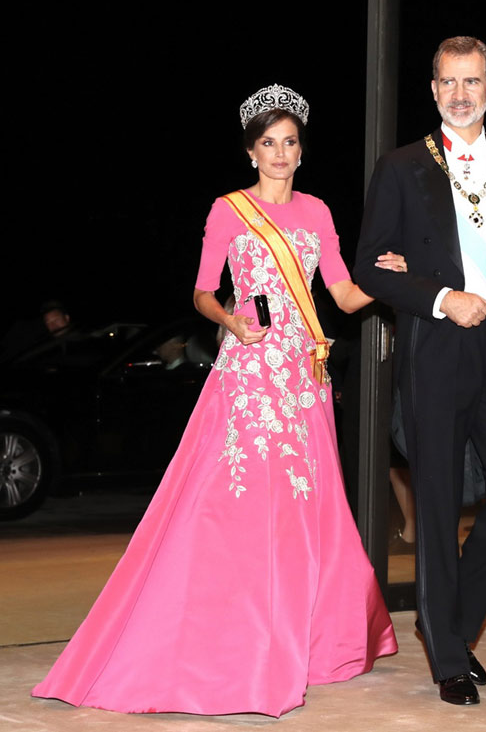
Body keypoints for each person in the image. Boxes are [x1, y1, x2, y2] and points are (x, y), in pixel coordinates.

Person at [32, 84, 403, 717]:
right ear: (250, 150)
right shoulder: (229, 210)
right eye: (268, 143)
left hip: (302, 377)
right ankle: (230, 636)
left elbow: (340, 296)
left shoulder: (316, 211)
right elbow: (204, 294)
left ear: (301, 150)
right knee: (232, 506)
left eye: (289, 143)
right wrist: (230, 322)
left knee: (308, 508)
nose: (279, 154)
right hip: (248, 371)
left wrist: (387, 280)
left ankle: (312, 637)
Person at [354, 36, 486, 706]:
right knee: (440, 501)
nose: (459, 93)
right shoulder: (399, 167)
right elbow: (367, 267)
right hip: (436, 349)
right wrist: (442, 298)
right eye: (448, 81)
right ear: (432, 89)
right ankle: (448, 655)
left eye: (471, 81)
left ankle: (446, 618)